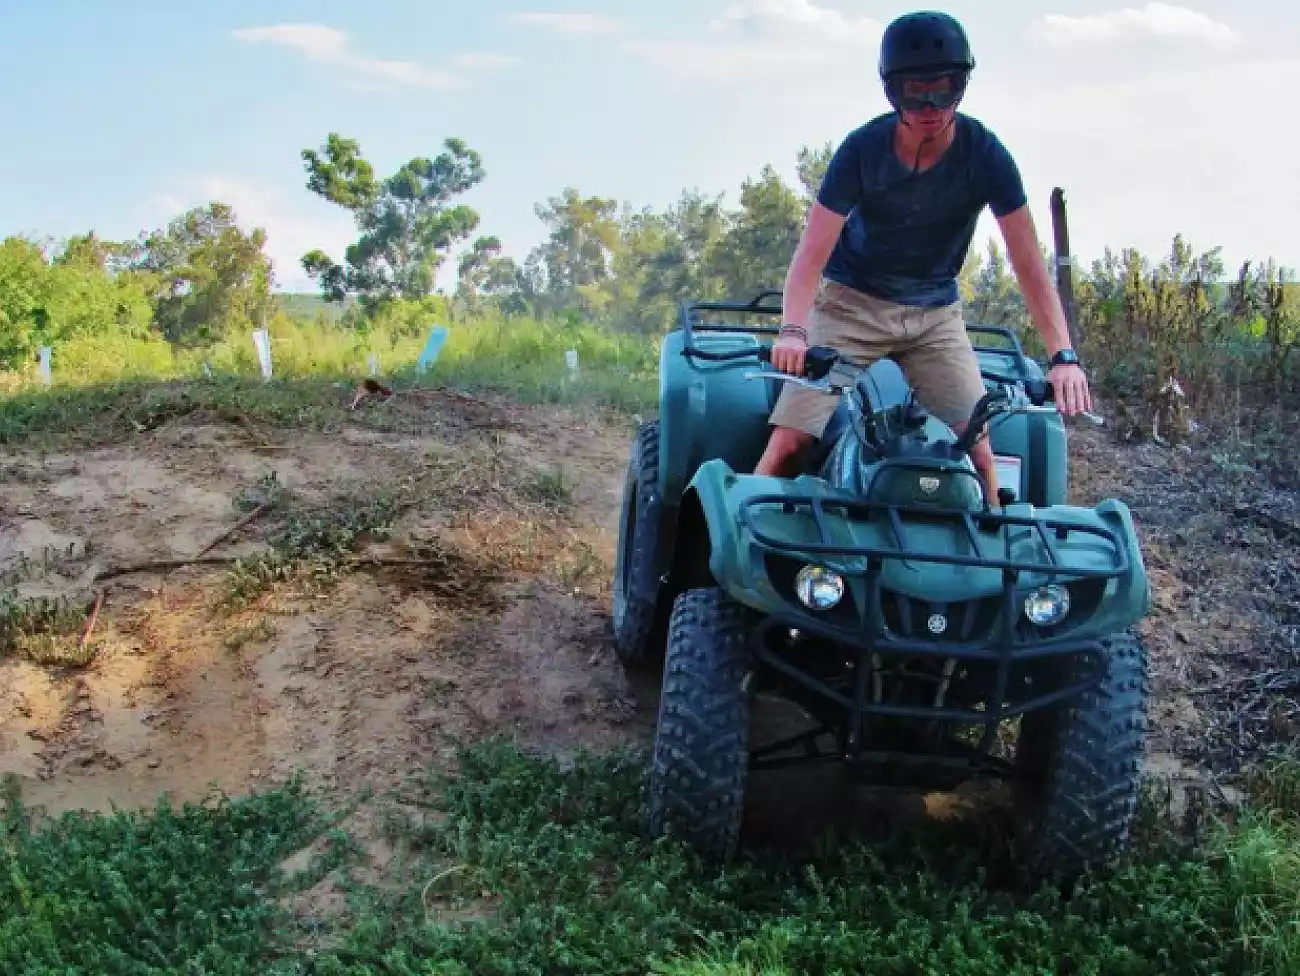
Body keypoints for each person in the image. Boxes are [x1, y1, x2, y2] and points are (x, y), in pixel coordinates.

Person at [755, 10, 1091, 503]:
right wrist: (793, 330)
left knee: (978, 449)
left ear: (962, 86)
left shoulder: (986, 155)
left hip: (935, 315)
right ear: (894, 92)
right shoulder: (862, 150)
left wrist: (1063, 357)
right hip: (852, 306)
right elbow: (810, 256)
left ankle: (1001, 560)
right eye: (917, 90)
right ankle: (738, 545)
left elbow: (1029, 264)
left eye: (945, 87)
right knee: (790, 441)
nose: (931, 104)